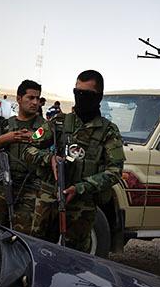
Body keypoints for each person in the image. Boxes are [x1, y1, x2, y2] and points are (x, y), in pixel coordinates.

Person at [23, 70, 125, 253]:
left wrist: (80, 188)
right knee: (37, 254)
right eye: (77, 92)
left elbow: (114, 172)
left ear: (98, 97)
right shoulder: (58, 123)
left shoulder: (108, 131)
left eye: (86, 94)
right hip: (47, 204)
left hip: (81, 209)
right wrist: (49, 159)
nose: (80, 97)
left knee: (75, 262)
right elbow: (28, 149)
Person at [0, 80, 45, 234]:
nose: (35, 102)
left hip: (31, 190)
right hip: (3, 187)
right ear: (19, 99)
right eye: (30, 98)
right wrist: (4, 139)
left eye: (38, 99)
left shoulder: (45, 128)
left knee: (22, 237)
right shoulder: (5, 127)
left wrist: (35, 138)